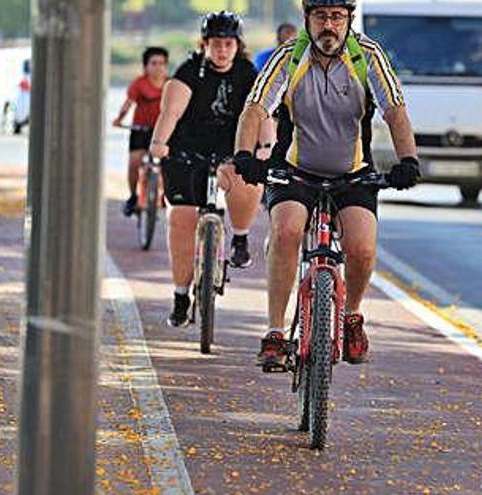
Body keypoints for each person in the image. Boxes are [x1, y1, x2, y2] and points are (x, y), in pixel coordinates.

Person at [233, 0, 421, 366]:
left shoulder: (367, 55)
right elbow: (255, 108)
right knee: (286, 231)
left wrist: (408, 160)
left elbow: (395, 110)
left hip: (353, 174)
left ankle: (351, 317)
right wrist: (244, 154)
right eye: (321, 16)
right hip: (294, 169)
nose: (329, 25)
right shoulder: (289, 56)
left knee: (362, 247)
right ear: (307, 19)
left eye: (337, 17)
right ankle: (274, 332)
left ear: (350, 19)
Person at [149, 11, 272, 327]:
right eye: (216, 44)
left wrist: (265, 147)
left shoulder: (248, 74)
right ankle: (180, 295)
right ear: (205, 44)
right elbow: (171, 112)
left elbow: (262, 115)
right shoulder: (189, 72)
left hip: (230, 147)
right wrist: (159, 143)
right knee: (181, 219)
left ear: (237, 45)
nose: (222, 50)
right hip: (187, 148)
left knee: (248, 180)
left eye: (228, 44)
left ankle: (240, 239)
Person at [112, 47, 169, 216]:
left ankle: (167, 195)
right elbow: (128, 104)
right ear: (145, 67)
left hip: (163, 130)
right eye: (153, 63)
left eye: (161, 63)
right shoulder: (139, 83)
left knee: (169, 165)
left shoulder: (170, 84)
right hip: (140, 129)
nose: (158, 67)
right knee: (134, 163)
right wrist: (119, 120)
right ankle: (132, 196)